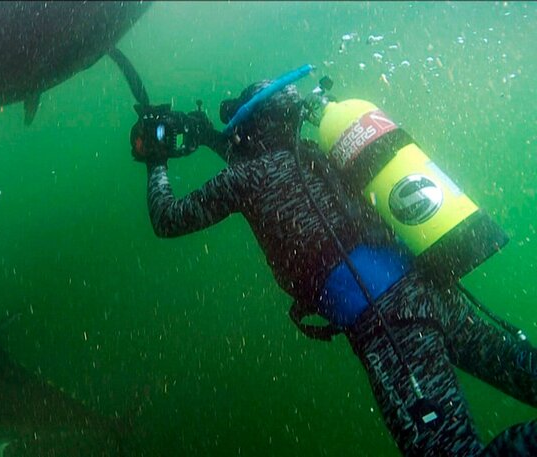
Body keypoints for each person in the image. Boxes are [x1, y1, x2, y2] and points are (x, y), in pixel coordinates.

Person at [128, 71, 537, 456]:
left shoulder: (246, 178)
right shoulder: (318, 153)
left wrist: (156, 163)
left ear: (248, 127)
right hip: (431, 289)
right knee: (523, 369)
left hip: (387, 325)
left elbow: (169, 218)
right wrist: (211, 138)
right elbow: (264, 167)